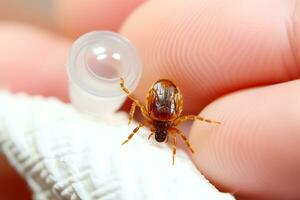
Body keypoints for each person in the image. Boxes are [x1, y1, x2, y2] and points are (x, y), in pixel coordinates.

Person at [0, 0, 299, 199]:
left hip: (162, 95)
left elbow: (167, 117)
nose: (159, 135)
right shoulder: (170, 124)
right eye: (161, 135)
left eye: (159, 134)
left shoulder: (158, 119)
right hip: (164, 96)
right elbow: (182, 121)